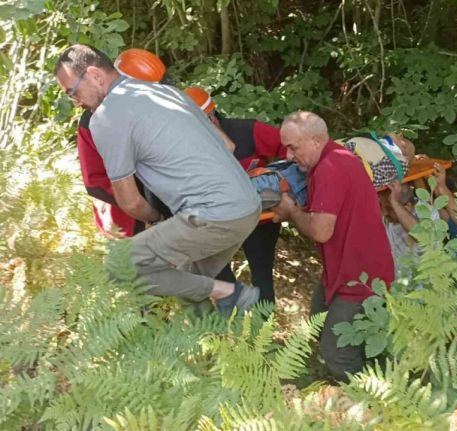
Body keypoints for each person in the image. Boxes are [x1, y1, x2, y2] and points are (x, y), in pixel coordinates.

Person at [54, 44, 261, 317]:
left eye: (73, 91)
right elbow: (228, 145)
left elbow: (130, 202)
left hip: (213, 215)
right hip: (248, 207)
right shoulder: (166, 92)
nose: (76, 102)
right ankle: (217, 348)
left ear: (94, 74)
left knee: (121, 266)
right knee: (189, 285)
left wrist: (154, 219)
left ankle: (231, 293)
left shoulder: (105, 118)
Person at [272, 111, 395, 381]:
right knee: (318, 321)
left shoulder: (330, 168)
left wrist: (292, 211)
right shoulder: (334, 159)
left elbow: (320, 230)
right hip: (346, 272)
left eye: (293, 147)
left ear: (316, 140)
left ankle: (373, 406)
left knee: (337, 353)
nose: (289, 156)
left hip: (361, 278)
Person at [184, 86, 287, 305]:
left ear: (211, 117)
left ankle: (262, 330)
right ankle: (232, 327)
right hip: (218, 221)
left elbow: (291, 149)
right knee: (220, 276)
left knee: (262, 274)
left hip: (260, 218)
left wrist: (287, 189)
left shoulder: (249, 131)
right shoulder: (188, 147)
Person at [77, 48, 170, 238]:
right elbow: (95, 181)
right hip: (134, 218)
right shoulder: (93, 122)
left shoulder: (166, 104)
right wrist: (146, 212)